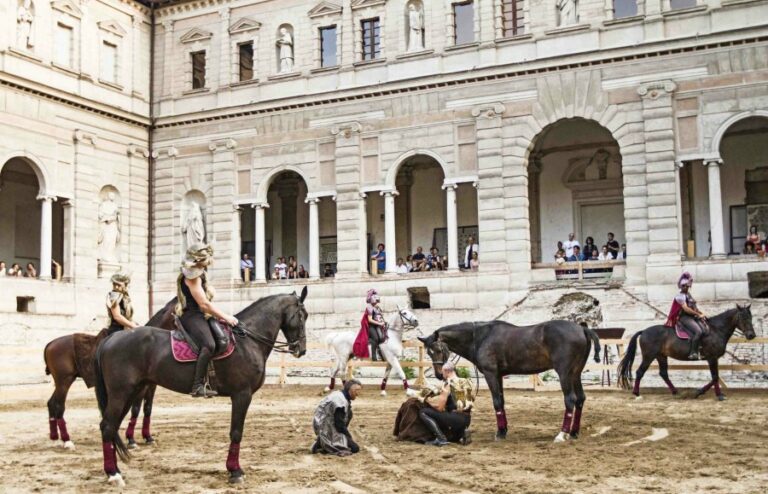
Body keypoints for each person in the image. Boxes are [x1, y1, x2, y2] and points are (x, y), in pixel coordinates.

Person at [176, 244, 239, 397]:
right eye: (207, 259)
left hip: (200, 314)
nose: (210, 262)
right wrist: (226, 317)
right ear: (199, 260)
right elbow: (204, 304)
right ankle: (197, 386)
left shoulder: (198, 271)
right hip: (191, 315)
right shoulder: (192, 276)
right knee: (208, 344)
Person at [419, 362, 472, 446]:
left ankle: (441, 439)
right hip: (467, 419)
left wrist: (427, 400)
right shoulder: (466, 381)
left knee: (424, 412)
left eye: (443, 372)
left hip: (455, 418)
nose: (442, 374)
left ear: (447, 371)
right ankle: (462, 434)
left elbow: (440, 408)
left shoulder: (448, 384)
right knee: (452, 438)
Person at [310, 380, 362, 456]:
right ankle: (323, 443)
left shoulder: (339, 394)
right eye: (357, 391)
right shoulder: (340, 401)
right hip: (326, 428)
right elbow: (339, 424)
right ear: (351, 390)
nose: (358, 394)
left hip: (321, 424)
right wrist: (349, 437)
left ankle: (323, 441)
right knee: (355, 448)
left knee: (349, 413)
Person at [664, 272, 708, 360]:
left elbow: (694, 307)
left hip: (692, 317)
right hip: (684, 318)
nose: (686, 288)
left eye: (687, 286)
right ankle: (693, 353)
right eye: (684, 286)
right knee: (698, 331)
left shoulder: (688, 295)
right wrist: (697, 314)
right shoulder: (680, 296)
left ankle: (702, 350)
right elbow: (686, 309)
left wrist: (701, 314)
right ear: (681, 286)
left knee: (705, 329)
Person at [364, 288, 387, 361]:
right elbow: (370, 320)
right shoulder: (369, 307)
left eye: (377, 301)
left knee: (382, 338)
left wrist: (384, 322)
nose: (376, 302)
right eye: (375, 300)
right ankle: (374, 356)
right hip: (371, 326)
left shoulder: (376, 307)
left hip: (377, 325)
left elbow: (379, 316)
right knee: (376, 338)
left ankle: (381, 355)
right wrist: (380, 323)